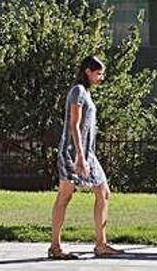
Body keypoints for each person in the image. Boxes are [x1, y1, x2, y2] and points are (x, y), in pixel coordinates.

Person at [49, 56, 123, 259]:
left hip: (88, 153)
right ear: (88, 71)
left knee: (103, 192)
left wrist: (86, 155)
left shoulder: (85, 93)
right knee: (65, 195)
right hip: (73, 153)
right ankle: (55, 247)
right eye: (99, 73)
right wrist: (80, 157)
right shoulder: (78, 91)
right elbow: (73, 124)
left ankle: (101, 245)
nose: (102, 78)